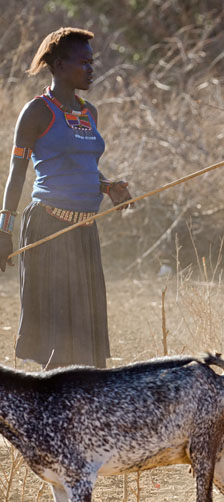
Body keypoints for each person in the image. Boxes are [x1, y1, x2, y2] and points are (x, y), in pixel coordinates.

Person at [1, 27, 131, 369]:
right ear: (59, 65)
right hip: (48, 227)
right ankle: (53, 398)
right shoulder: (37, 112)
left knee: (85, 329)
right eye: (83, 62)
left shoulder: (89, 112)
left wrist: (108, 186)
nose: (91, 69)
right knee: (56, 334)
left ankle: (84, 399)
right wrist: (3, 230)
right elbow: (17, 174)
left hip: (84, 229)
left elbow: (84, 168)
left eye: (92, 62)